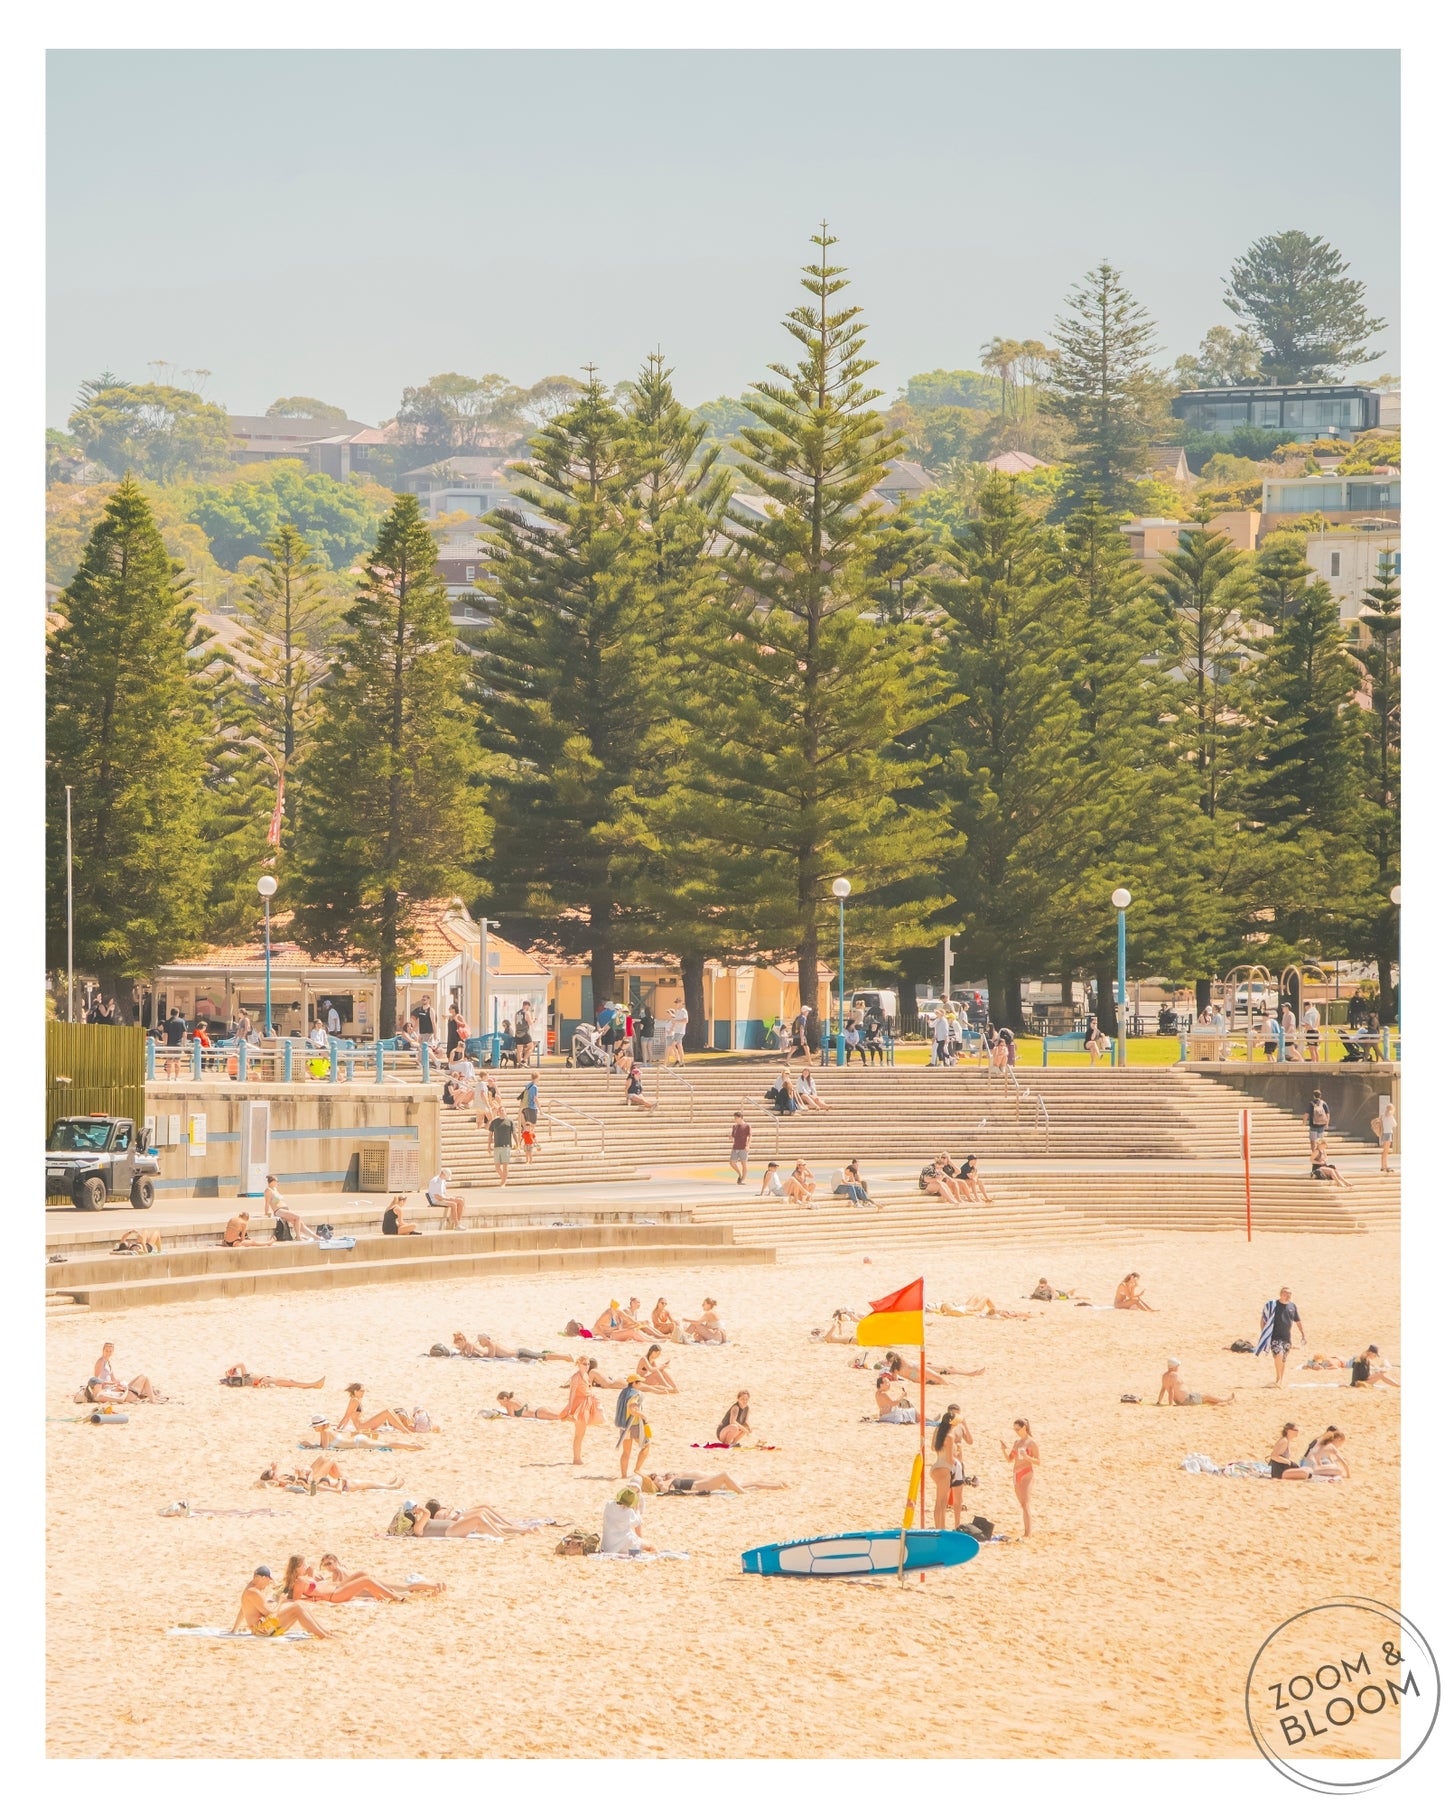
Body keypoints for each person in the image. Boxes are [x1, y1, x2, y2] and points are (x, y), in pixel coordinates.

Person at [231, 1566, 332, 1639]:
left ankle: (325, 1632)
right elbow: (270, 1614)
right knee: (297, 1607)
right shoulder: (254, 1592)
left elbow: (243, 1609)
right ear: (262, 1578)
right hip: (262, 1630)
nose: (267, 1584)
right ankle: (323, 1635)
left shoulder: (249, 1589)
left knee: (299, 1605)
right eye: (268, 1581)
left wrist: (234, 1630)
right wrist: (281, 1602)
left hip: (261, 1628)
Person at [930, 1404, 973, 1529]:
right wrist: (956, 1454)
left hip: (937, 1466)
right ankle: (941, 1529)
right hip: (945, 1468)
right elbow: (949, 1459)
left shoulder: (940, 1433)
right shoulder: (949, 1436)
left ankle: (939, 1527)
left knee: (939, 1503)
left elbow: (934, 1448)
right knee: (942, 1504)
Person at [406, 1499, 537, 1538]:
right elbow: (427, 1513)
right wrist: (420, 1510)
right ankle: (502, 1535)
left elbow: (426, 1514)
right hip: (451, 1530)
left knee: (481, 1519)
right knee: (478, 1517)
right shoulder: (418, 1529)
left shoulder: (422, 1522)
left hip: (453, 1527)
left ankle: (518, 1531)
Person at [1257, 1286, 1306, 1387]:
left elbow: (1298, 1321)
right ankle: (1278, 1379)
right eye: (1286, 1293)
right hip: (1274, 1336)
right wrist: (1264, 1334)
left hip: (1286, 1337)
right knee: (1278, 1355)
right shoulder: (1273, 1305)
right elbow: (1263, 1319)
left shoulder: (1292, 1306)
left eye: (1290, 1293)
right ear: (1281, 1294)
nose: (1288, 1295)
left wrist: (1303, 1333)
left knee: (1283, 1359)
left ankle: (1280, 1381)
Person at [88, 1341, 166, 1404]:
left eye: (110, 1351)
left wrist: (119, 1382)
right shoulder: (101, 1361)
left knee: (142, 1379)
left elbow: (113, 1378)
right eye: (106, 1351)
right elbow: (97, 1380)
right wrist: (113, 1384)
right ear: (103, 1350)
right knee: (144, 1377)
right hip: (108, 1388)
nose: (108, 1353)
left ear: (113, 1351)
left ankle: (154, 1396)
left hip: (112, 1386)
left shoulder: (108, 1362)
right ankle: (153, 1399)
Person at [562, 1356, 603, 1465]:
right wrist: (569, 1409)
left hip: (586, 1404)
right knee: (579, 1433)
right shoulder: (575, 1377)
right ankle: (576, 1458)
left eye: (588, 1364)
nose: (587, 1366)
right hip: (579, 1405)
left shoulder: (585, 1375)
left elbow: (589, 1389)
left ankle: (578, 1457)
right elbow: (572, 1393)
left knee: (582, 1432)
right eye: (584, 1364)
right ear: (579, 1363)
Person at [1001, 1419, 1039, 1536]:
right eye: (1014, 1429)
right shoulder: (1017, 1442)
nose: (1016, 1431)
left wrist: (1027, 1457)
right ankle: (1027, 1530)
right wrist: (1003, 1450)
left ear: (1024, 1428)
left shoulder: (1031, 1443)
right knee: (1022, 1503)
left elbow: (1038, 1461)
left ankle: (1028, 1532)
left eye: (1017, 1429)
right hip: (1016, 1473)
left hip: (1027, 1472)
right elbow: (1009, 1459)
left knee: (1025, 1503)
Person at [337, 1383, 414, 1437]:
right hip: (362, 1427)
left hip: (365, 1425)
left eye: (364, 1391)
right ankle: (405, 1431)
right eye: (362, 1391)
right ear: (355, 1391)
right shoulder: (354, 1400)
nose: (363, 1392)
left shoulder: (357, 1400)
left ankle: (404, 1429)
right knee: (387, 1412)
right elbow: (347, 1415)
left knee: (390, 1411)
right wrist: (339, 1428)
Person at [1156, 1358, 1234, 1407]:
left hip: (1182, 1400)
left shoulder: (1164, 1375)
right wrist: (1170, 1405)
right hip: (1187, 1399)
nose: (1178, 1367)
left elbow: (1163, 1390)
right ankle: (1224, 1400)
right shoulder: (1174, 1375)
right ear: (1174, 1366)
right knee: (1207, 1395)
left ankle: (1222, 1404)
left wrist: (1159, 1401)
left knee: (1205, 1399)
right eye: (1177, 1366)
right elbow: (1171, 1390)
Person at [601, 1485, 655, 1554]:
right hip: (625, 1544)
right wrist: (637, 1509)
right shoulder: (628, 1512)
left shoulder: (609, 1505)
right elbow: (637, 1522)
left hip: (608, 1545)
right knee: (651, 1546)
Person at [262, 1176, 316, 1244]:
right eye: (277, 1181)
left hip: (284, 1210)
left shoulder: (275, 1189)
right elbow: (267, 1203)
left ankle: (316, 1237)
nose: (278, 1183)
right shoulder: (268, 1191)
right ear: (272, 1181)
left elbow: (276, 1200)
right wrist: (266, 1213)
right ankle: (298, 1237)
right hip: (279, 1210)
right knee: (298, 1217)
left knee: (300, 1223)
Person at [616, 1378, 651, 1478]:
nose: (641, 1384)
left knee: (626, 1452)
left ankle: (623, 1475)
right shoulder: (634, 1394)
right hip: (633, 1425)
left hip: (623, 1425)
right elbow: (632, 1410)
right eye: (639, 1382)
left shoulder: (624, 1392)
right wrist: (643, 1415)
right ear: (634, 1383)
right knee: (646, 1445)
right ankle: (638, 1469)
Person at [220, 1364, 324, 1390]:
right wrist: (231, 1368)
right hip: (271, 1381)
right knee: (292, 1382)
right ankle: (314, 1384)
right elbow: (241, 1363)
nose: (236, 1371)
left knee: (292, 1382)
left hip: (270, 1380)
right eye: (235, 1372)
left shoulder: (245, 1378)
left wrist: (229, 1372)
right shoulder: (244, 1377)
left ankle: (314, 1385)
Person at [488, 1112, 515, 1187]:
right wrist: (488, 1145)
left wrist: (518, 1144)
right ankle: (504, 1179)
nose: (502, 1112)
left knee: (505, 1166)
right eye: (500, 1111)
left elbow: (514, 1133)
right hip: (497, 1146)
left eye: (503, 1110)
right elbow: (490, 1134)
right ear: (498, 1113)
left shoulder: (510, 1121)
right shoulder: (494, 1122)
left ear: (505, 1112)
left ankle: (503, 1182)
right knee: (497, 1166)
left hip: (506, 1146)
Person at [495, 1391, 563, 1419]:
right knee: (563, 1415)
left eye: (500, 1402)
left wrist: (501, 1414)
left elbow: (512, 1417)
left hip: (538, 1413)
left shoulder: (509, 1403)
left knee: (561, 1417)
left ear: (504, 1399)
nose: (501, 1405)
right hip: (540, 1410)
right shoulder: (514, 1399)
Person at [728, 1112, 752, 1185]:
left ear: (741, 1118)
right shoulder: (734, 1126)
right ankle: (740, 1174)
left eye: (736, 1118)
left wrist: (748, 1145)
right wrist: (731, 1137)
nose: (735, 1120)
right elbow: (733, 1136)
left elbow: (750, 1136)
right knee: (732, 1162)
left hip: (743, 1147)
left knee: (743, 1163)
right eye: (734, 1118)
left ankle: (743, 1179)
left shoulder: (747, 1126)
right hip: (735, 1147)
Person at [1374, 1099, 1396, 1173]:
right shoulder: (1390, 1116)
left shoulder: (1383, 1115)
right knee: (1386, 1151)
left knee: (1385, 1151)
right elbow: (1395, 1124)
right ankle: (1385, 1166)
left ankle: (1383, 1166)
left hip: (1384, 1134)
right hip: (1388, 1133)